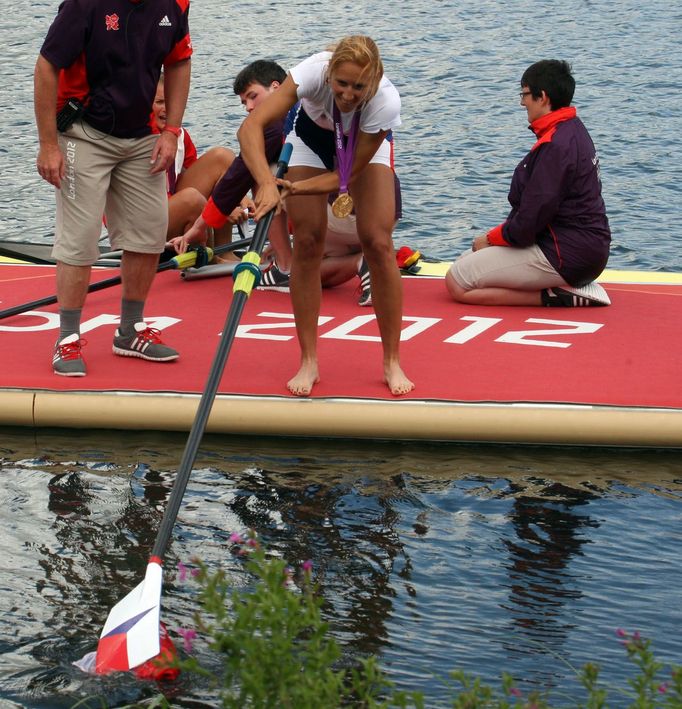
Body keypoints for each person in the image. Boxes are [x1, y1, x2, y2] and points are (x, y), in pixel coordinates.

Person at [237, 36, 414, 397]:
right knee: (307, 240)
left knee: (378, 242)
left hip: (359, 150)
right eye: (342, 84)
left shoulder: (385, 101)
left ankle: (392, 360)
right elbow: (249, 129)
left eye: (359, 86)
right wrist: (267, 183)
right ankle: (308, 361)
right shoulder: (311, 73)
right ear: (329, 74)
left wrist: (295, 190)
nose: (349, 94)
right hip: (310, 140)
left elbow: (344, 176)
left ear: (375, 80)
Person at [34, 0, 192, 377]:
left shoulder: (175, 4)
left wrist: (172, 130)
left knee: (150, 231)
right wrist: (49, 145)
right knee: (81, 237)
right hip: (84, 131)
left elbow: (179, 60)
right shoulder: (83, 5)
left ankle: (130, 330)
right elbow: (46, 66)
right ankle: (68, 338)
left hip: (141, 134)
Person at [445, 60, 611, 308]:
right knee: (468, 259)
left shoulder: (555, 146)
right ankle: (558, 287)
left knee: (457, 280)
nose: (522, 102)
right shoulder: (573, 129)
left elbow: (528, 224)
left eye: (524, 94)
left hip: (565, 254)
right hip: (584, 248)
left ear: (542, 97)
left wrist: (490, 239)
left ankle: (555, 296)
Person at [150, 75, 237, 252]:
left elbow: (199, 179)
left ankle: (223, 250)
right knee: (193, 199)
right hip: (143, 220)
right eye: (160, 102)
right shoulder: (140, 137)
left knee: (223, 157)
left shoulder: (181, 137)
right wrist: (216, 205)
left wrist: (236, 199)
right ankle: (206, 258)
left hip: (169, 208)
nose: (167, 109)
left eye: (172, 102)